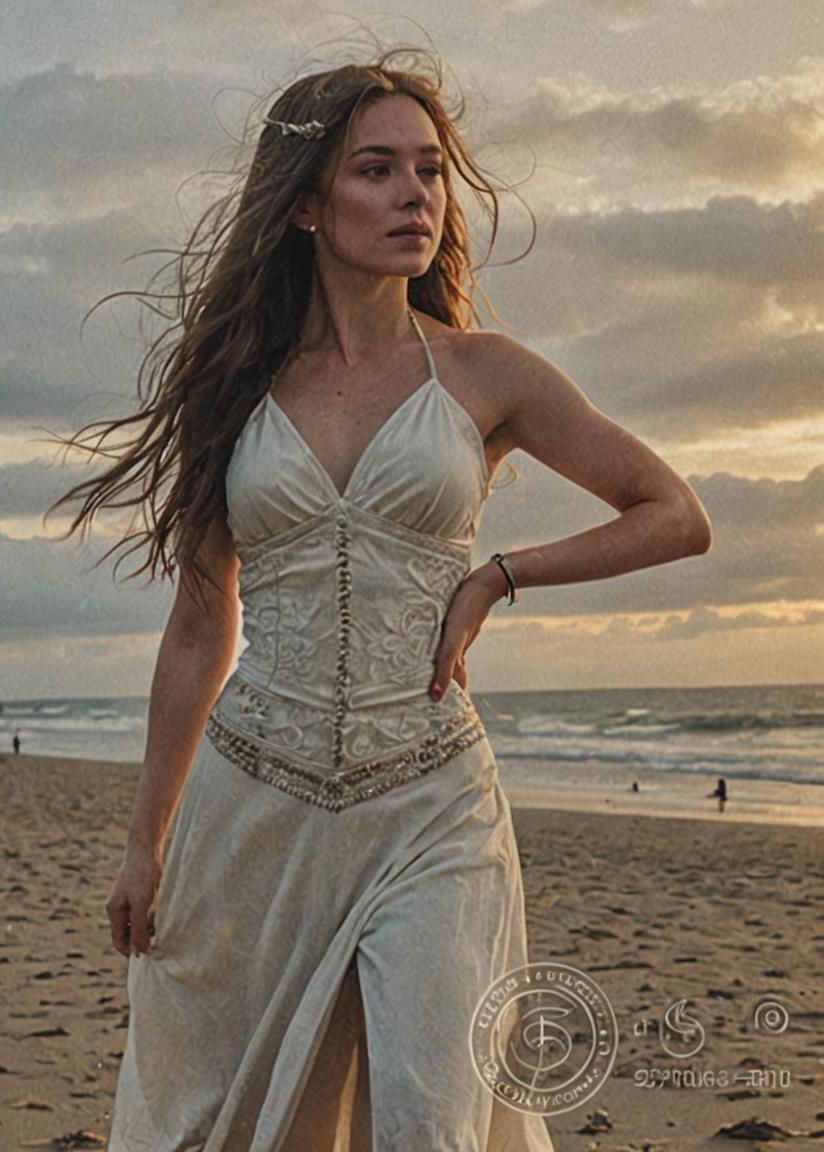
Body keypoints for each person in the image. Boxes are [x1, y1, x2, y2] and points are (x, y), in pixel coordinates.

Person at [48, 47, 711, 1152]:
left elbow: (671, 512)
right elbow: (203, 626)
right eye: (376, 170)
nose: (415, 195)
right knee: (228, 1117)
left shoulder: (485, 371)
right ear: (306, 205)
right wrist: (143, 841)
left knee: (429, 1121)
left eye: (428, 169)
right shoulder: (235, 395)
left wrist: (499, 577)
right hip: (256, 794)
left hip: (430, 796)